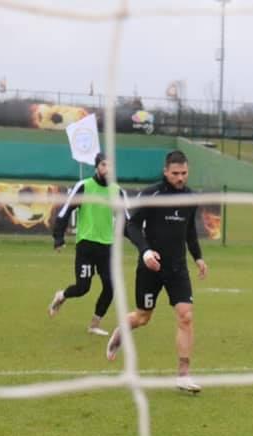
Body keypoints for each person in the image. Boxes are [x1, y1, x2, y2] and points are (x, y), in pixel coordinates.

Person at [105, 150, 208, 393]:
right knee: (143, 317)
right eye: (175, 174)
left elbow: (189, 232)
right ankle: (123, 328)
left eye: (183, 173)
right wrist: (145, 251)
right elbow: (130, 225)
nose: (180, 178)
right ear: (165, 172)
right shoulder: (152, 194)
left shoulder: (191, 198)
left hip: (177, 268)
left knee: (186, 316)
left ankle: (183, 375)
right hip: (150, 267)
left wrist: (199, 257)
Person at [48, 152, 130, 336]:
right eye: (103, 165)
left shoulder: (117, 191)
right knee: (83, 287)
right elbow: (65, 211)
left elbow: (127, 221)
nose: (107, 170)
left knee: (110, 287)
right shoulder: (84, 186)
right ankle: (61, 296)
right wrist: (58, 237)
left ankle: (94, 325)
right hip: (86, 245)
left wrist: (143, 246)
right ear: (97, 167)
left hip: (106, 247)